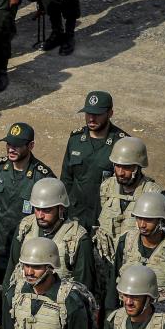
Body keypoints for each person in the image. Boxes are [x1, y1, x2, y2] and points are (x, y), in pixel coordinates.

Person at [0, 122, 54, 285]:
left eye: (17, 146)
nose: (11, 149)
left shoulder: (42, 176)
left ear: (31, 146)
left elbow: (51, 218)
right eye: (9, 144)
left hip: (26, 252)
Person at [106, 192, 165, 315]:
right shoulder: (125, 242)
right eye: (139, 218)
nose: (142, 224)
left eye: (148, 220)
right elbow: (113, 287)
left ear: (161, 220)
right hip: (128, 316)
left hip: (163, 320)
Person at [92, 136, 160, 295]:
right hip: (104, 266)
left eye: (127, 167)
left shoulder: (152, 194)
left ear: (138, 166)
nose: (120, 173)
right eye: (117, 166)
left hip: (134, 271)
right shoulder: (106, 187)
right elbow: (97, 222)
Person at [4, 177, 94, 292]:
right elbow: (11, 271)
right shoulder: (25, 228)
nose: (40, 215)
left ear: (60, 208)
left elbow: (83, 289)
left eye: (47, 210)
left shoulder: (77, 239)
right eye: (37, 209)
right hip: (23, 303)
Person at [59, 90, 128, 233]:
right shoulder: (76, 139)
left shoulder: (122, 144)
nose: (91, 118)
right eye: (88, 113)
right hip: (75, 215)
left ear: (110, 113)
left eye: (97, 114)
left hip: (106, 218)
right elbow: (66, 178)